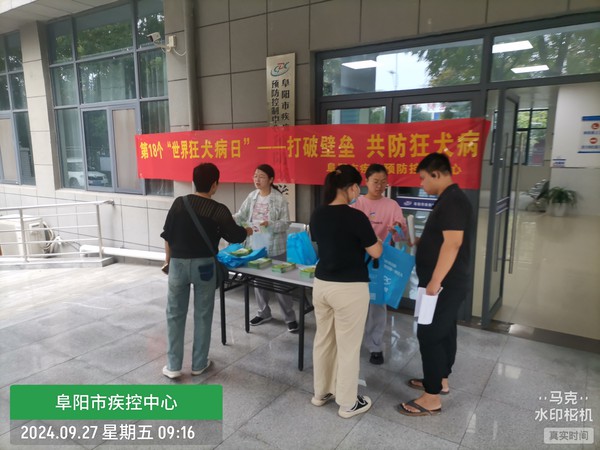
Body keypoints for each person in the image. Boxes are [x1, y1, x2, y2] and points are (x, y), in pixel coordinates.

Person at [397, 152, 473, 416]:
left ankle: (431, 398)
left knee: (429, 334)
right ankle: (440, 380)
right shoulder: (449, 199)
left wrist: (435, 282)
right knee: (445, 330)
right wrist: (419, 241)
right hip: (444, 283)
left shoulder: (453, 201)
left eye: (423, 178)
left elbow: (453, 243)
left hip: (443, 284)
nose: (421, 184)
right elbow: (443, 239)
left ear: (436, 174)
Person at [160, 163, 249, 379]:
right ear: (214, 184)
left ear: (194, 181)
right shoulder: (218, 210)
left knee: (174, 314)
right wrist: (247, 230)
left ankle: (173, 366)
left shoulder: (179, 203)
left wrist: (168, 261)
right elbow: (236, 236)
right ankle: (199, 364)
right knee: (203, 314)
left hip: (178, 264)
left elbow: (167, 235)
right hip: (205, 267)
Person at [309, 165, 383, 419]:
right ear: (350, 188)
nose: (358, 192)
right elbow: (375, 252)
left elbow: (322, 243)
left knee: (323, 340)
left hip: (322, 285)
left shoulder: (318, 213)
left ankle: (321, 393)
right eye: (357, 187)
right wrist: (377, 240)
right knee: (348, 347)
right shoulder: (356, 217)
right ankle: (348, 403)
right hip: (349, 289)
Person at [351, 164, 408, 365]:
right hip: (357, 260)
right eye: (376, 181)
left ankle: (375, 346)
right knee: (355, 303)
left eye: (384, 182)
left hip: (380, 261)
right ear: (366, 181)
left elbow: (401, 235)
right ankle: (351, 344)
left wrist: (397, 229)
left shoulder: (392, 205)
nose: (380, 185)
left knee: (377, 304)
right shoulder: (356, 203)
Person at [233, 164, 298, 332]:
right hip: (255, 246)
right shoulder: (252, 196)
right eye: (255, 176)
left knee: (280, 283)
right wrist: (227, 218)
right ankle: (263, 312)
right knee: (258, 282)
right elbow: (241, 215)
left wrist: (270, 224)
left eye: (261, 176)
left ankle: (289, 317)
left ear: (270, 179)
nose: (257, 179)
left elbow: (286, 223)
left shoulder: (279, 199)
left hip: (275, 247)